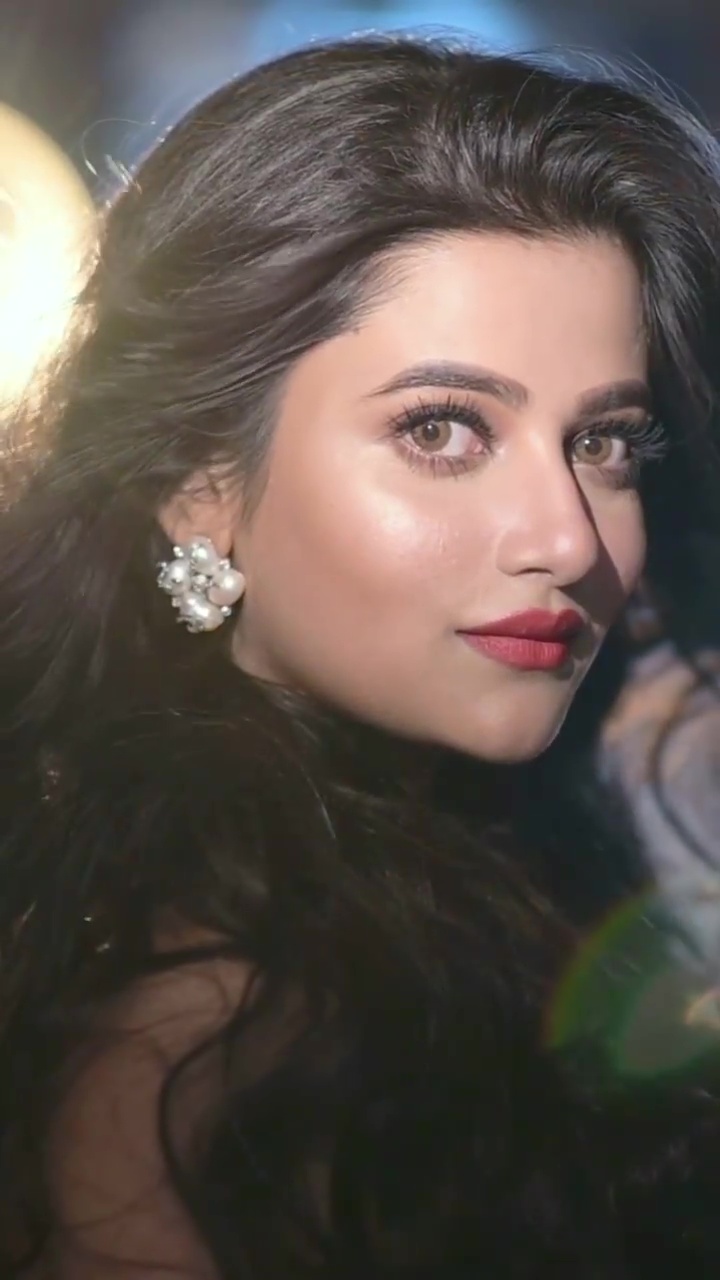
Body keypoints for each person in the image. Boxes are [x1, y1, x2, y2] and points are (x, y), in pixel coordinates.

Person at [2, 33, 720, 1279]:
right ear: (199, 481)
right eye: (442, 430)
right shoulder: (200, 1034)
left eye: (604, 442)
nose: (566, 537)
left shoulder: (484, 867)